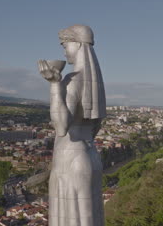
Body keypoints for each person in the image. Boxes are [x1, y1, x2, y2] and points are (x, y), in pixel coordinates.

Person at [38, 24, 106, 226]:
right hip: (90, 156)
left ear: (77, 44)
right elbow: (96, 126)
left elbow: (60, 126)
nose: (64, 51)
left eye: (65, 46)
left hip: (69, 158)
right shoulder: (95, 84)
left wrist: (53, 86)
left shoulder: (72, 80)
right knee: (89, 218)